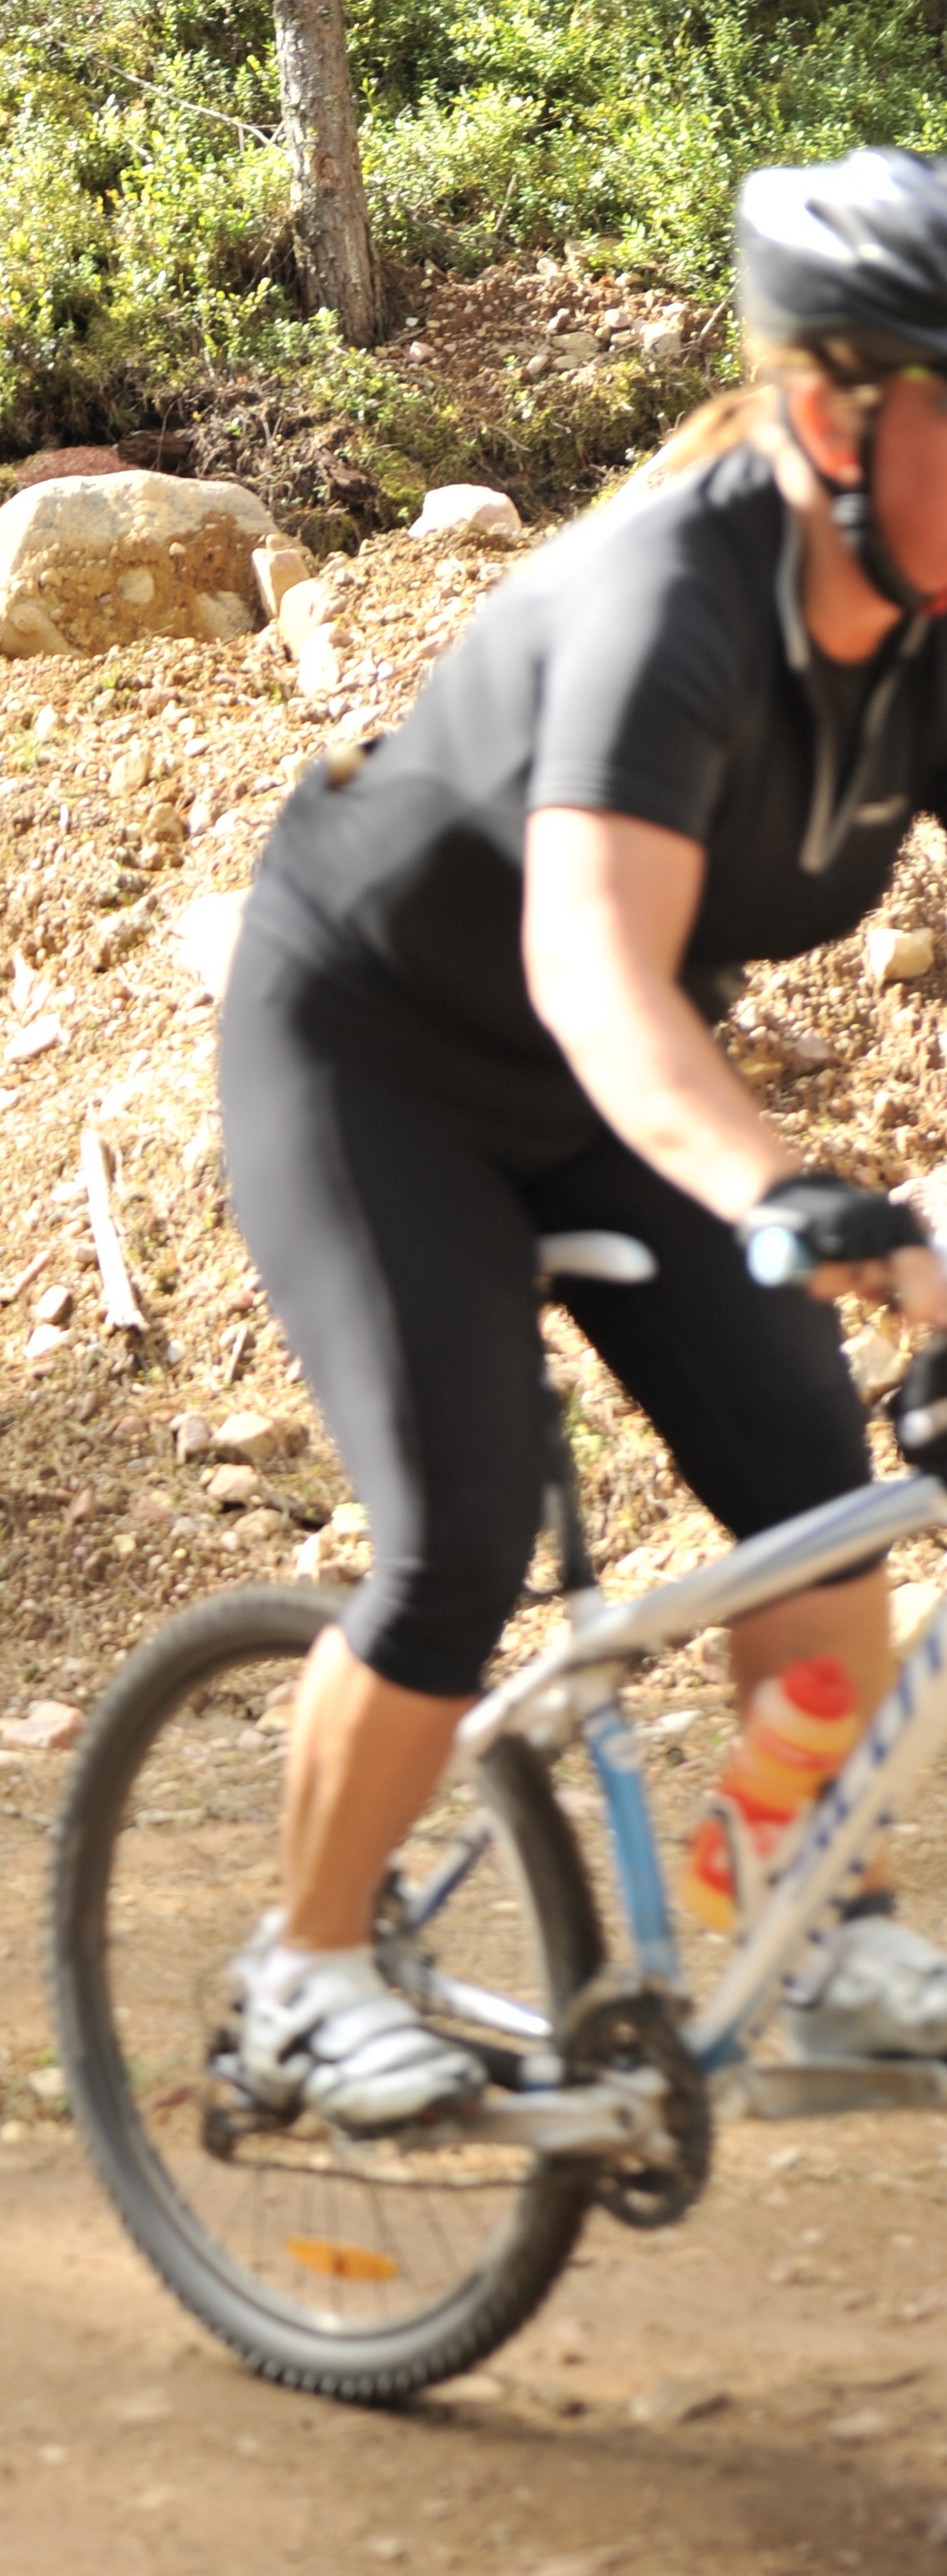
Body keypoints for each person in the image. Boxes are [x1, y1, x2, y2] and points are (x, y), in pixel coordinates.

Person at [218, 145, 947, 2133]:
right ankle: (299, 1974)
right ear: (832, 418)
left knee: (814, 1497)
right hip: (377, 1051)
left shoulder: (920, 624)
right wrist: (782, 1189)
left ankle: (816, 1929)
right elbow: (595, 971)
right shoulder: (668, 599)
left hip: (609, 1081)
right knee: (457, 1529)